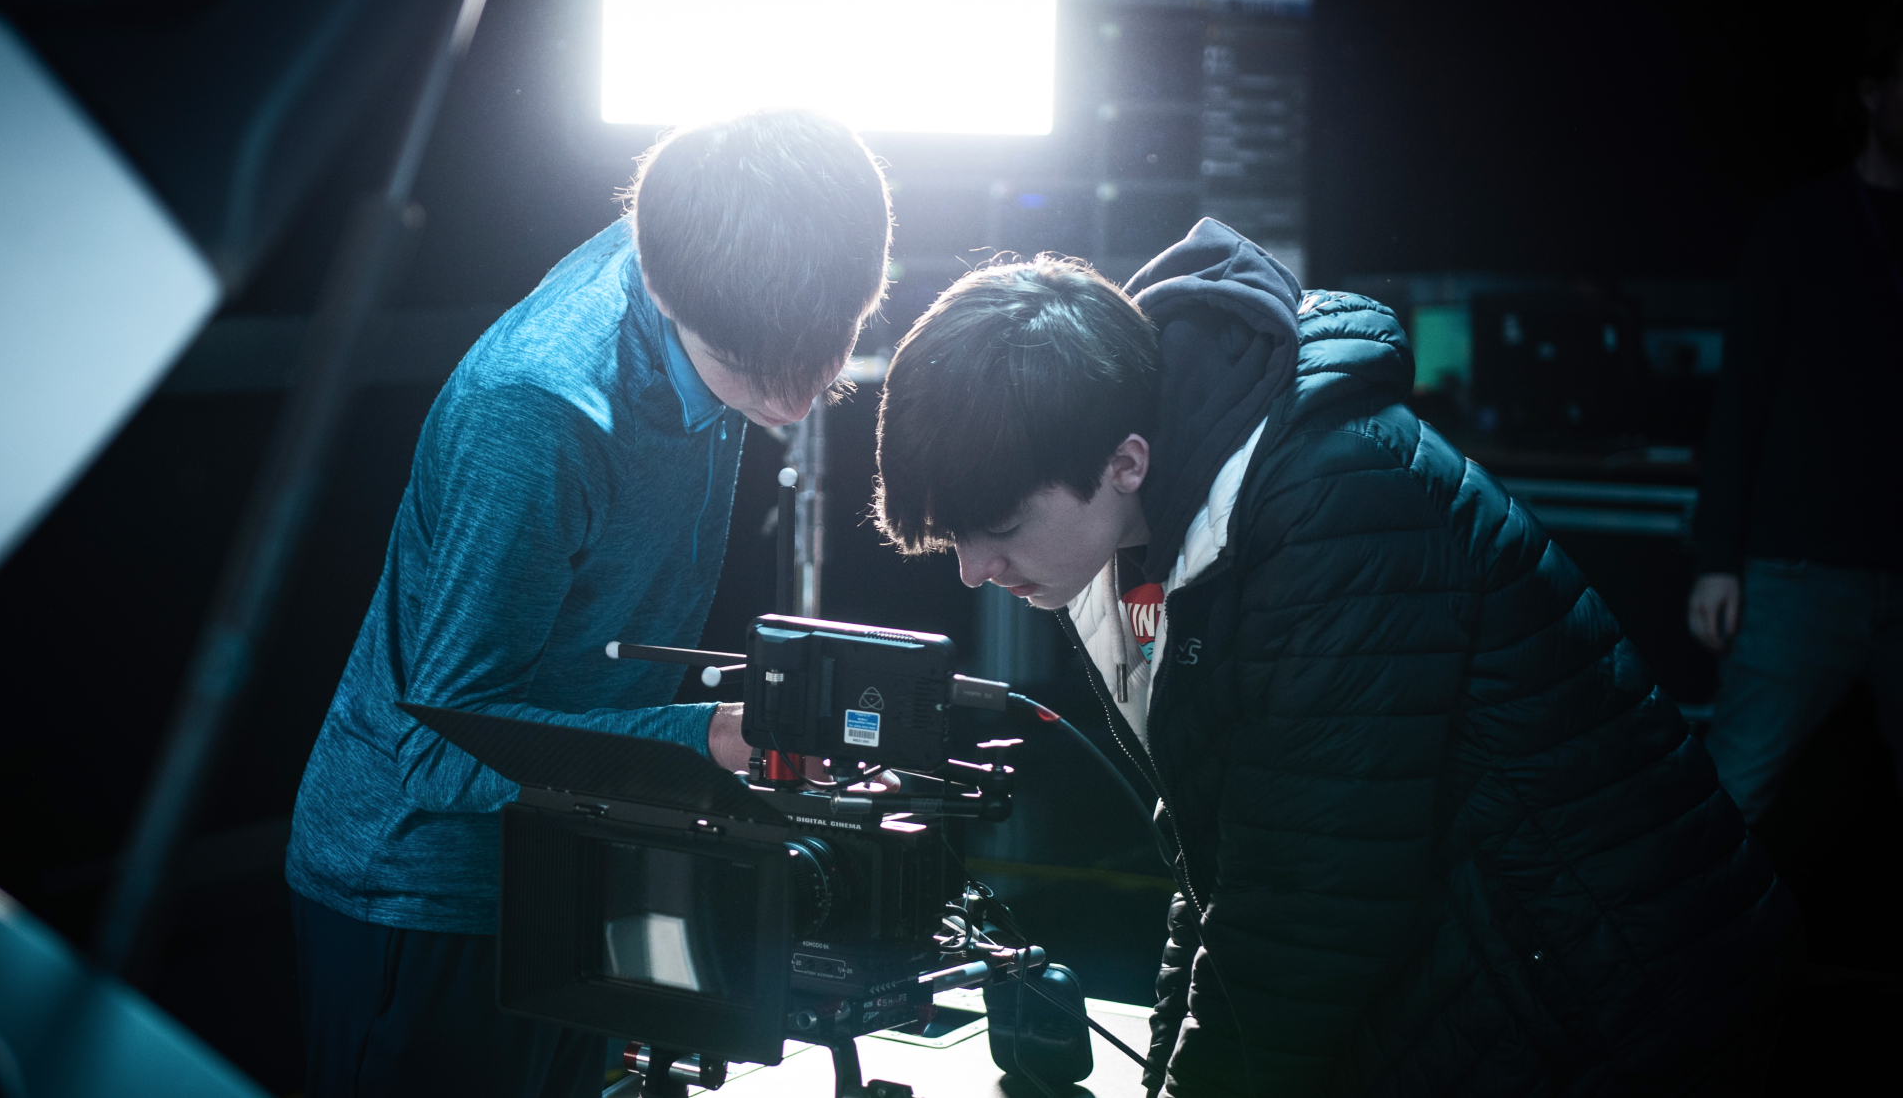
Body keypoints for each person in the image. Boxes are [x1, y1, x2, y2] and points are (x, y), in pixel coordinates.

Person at [872, 225, 1795, 1096]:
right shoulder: (1136, 539)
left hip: (1616, 1005)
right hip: (1472, 981)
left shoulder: (1338, 505)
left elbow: (1301, 917)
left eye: (998, 530)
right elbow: (1226, 867)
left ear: (1125, 462)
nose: (973, 570)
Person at [282, 109, 891, 1098]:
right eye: (755, 369)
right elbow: (440, 747)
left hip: (573, 856)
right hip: (425, 892)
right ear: (661, 285)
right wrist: (708, 739)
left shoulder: (718, 248)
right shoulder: (540, 411)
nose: (801, 392)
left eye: (829, 343)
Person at [1688, 10, 1903, 825]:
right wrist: (1719, 559)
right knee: (1732, 794)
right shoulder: (1798, 229)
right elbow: (1741, 394)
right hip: (1802, 571)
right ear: (1872, 93)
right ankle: (1679, 955)